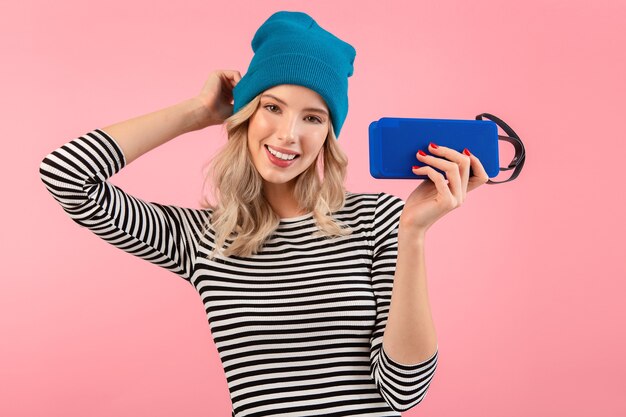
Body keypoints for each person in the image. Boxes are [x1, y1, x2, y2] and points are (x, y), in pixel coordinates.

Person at [39, 10, 490, 417]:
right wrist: (197, 111)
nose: (288, 135)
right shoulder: (202, 239)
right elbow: (66, 175)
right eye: (272, 107)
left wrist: (412, 234)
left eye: (313, 118)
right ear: (246, 113)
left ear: (329, 135)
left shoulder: (379, 220)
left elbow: (403, 391)